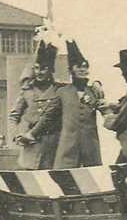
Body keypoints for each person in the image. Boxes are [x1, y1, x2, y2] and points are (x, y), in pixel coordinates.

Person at [33, 39, 103, 168]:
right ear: (71, 70)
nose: (83, 70)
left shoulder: (94, 91)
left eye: (85, 66)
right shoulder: (63, 92)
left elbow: (105, 110)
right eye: (79, 67)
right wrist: (32, 133)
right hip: (68, 150)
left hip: (91, 150)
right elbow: (48, 116)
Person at [11, 41, 62, 169]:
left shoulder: (59, 90)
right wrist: (17, 135)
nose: (40, 72)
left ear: (51, 70)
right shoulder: (27, 91)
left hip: (53, 143)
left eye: (44, 68)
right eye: (37, 68)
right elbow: (14, 116)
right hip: (31, 144)